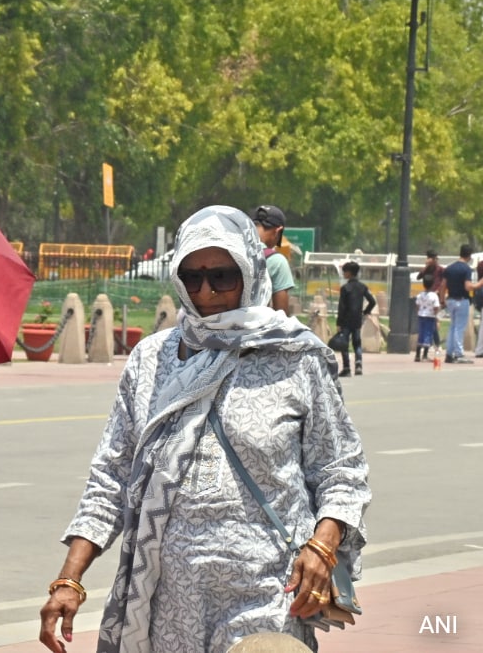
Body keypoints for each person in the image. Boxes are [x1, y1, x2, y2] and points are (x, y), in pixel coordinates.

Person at [38, 205, 370, 653]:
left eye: (222, 277)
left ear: (250, 272)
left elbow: (341, 471)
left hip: (269, 594)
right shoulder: (151, 359)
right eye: (192, 278)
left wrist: (323, 547)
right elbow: (111, 476)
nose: (207, 291)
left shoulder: (295, 357)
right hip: (167, 602)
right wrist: (69, 578)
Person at [335, 261, 376, 377]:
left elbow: (341, 307)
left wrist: (339, 323)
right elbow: (372, 302)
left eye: (344, 272)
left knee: (344, 344)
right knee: (357, 343)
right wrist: (365, 312)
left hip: (346, 321)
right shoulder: (362, 287)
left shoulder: (345, 288)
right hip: (357, 320)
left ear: (349, 273)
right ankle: (358, 364)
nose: (343, 274)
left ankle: (347, 368)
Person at [251, 204, 295, 312]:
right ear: (278, 231)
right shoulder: (276, 261)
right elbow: (281, 314)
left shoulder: (231, 251)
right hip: (256, 327)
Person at [440, 244, 477, 364]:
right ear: (469, 256)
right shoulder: (466, 269)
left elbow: (443, 285)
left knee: (453, 326)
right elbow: (468, 286)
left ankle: (449, 353)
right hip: (462, 300)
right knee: (459, 328)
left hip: (450, 299)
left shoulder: (449, 268)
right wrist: (480, 283)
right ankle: (459, 354)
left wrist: (442, 299)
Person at [419, 249, 445, 351]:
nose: (435, 261)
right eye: (433, 259)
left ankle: (435, 343)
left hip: (436, 296)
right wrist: (426, 267)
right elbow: (419, 276)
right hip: (427, 296)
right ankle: (433, 343)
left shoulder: (441, 270)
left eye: (435, 259)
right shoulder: (427, 270)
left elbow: (443, 282)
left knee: (435, 320)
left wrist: (441, 295)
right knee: (430, 321)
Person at [415, 274, 440, 362]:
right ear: (433, 284)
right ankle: (425, 355)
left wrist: (419, 311)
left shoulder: (420, 295)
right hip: (430, 316)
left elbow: (417, 305)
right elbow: (436, 307)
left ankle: (417, 354)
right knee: (428, 334)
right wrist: (436, 315)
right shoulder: (434, 296)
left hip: (421, 316)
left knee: (421, 334)